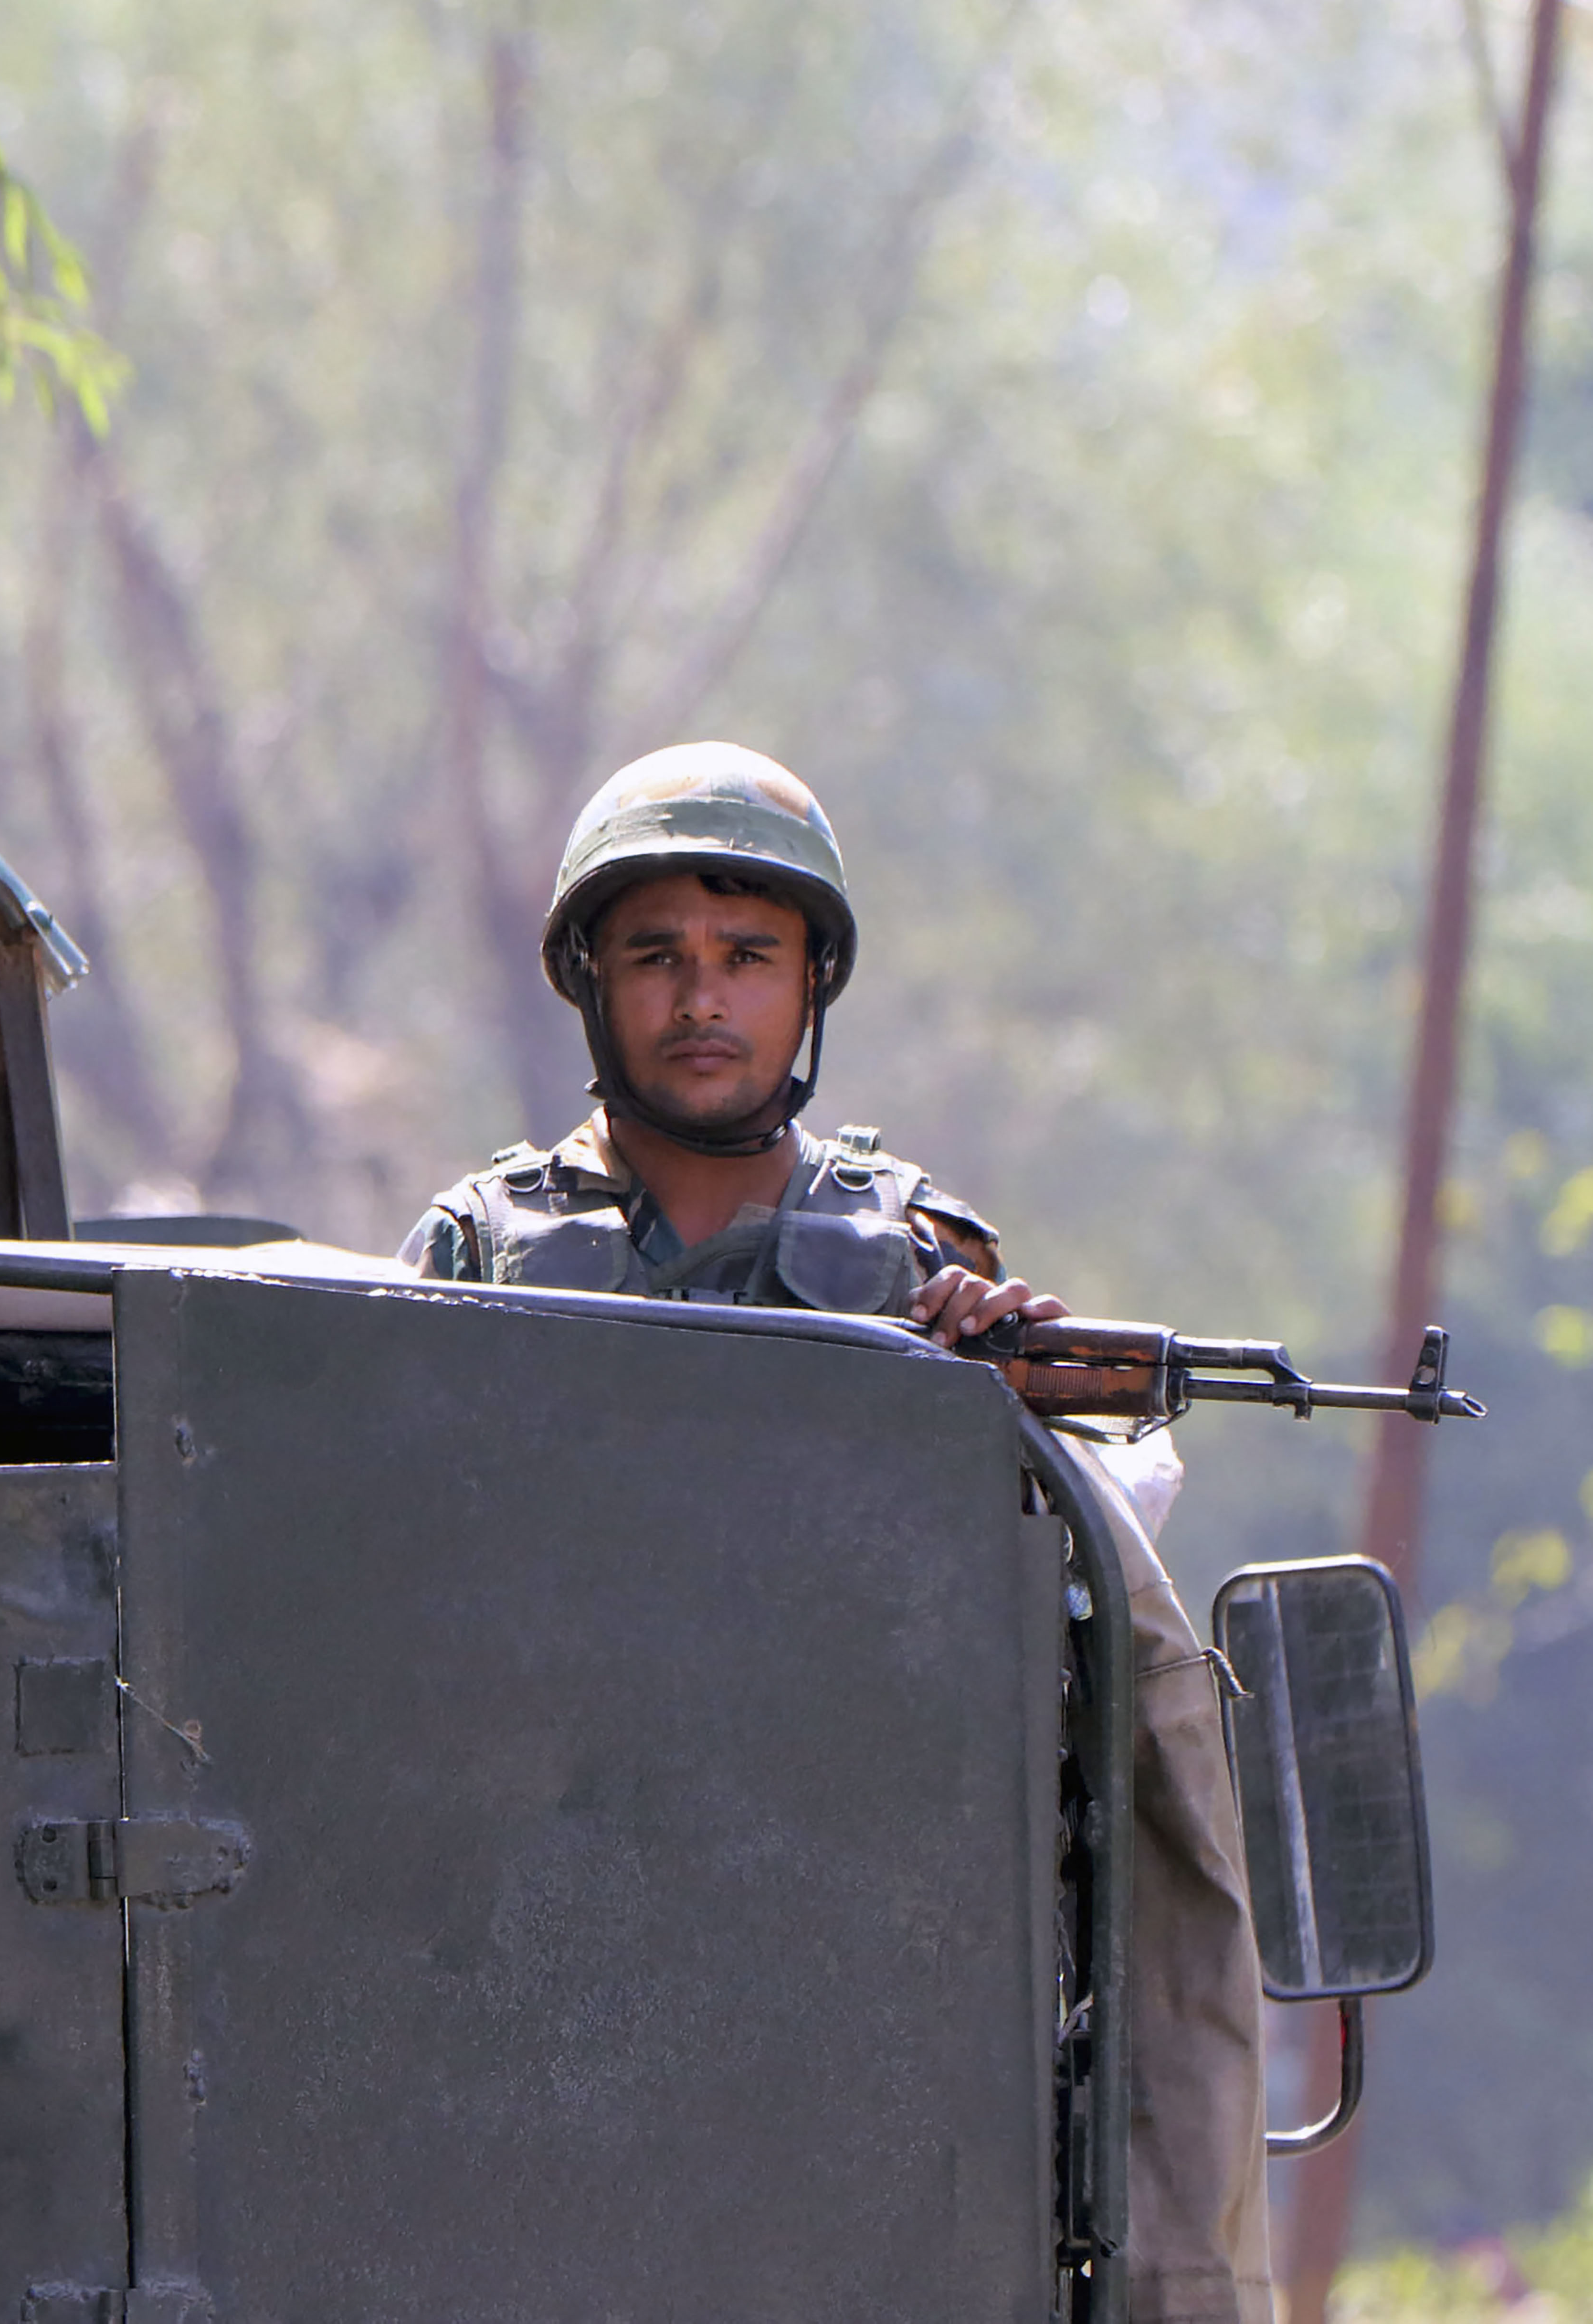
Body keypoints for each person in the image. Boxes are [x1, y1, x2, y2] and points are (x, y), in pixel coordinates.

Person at [405, 740, 1270, 2324]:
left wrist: (962, 1389)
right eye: (655, 955)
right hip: (535, 1930)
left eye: (747, 957)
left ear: (813, 988)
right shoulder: (477, 1248)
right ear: (592, 981)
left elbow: (1034, 1646)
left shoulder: (919, 1251)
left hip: (856, 1945)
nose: (699, 1001)